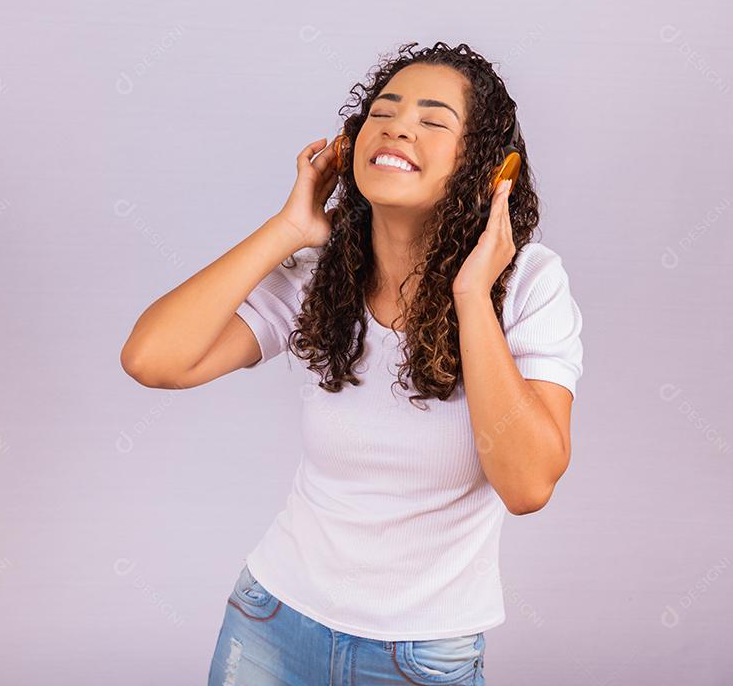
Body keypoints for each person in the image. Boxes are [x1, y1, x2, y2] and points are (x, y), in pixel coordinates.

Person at [120, 40, 584, 685]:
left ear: (488, 171)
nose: (397, 127)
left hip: (420, 655)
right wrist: (291, 228)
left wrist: (472, 295)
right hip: (269, 625)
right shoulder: (324, 271)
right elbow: (153, 359)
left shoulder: (529, 283)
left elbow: (528, 484)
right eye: (384, 112)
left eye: (433, 119)